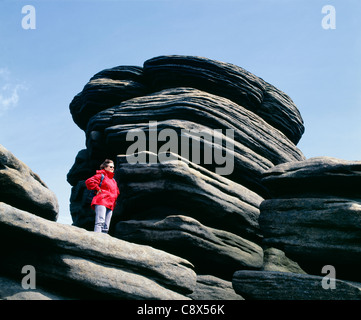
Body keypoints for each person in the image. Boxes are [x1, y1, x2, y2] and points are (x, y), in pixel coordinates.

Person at [85, 159, 120, 233]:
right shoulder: (101, 175)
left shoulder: (113, 180)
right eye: (111, 167)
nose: (112, 168)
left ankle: (103, 243)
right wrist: (97, 188)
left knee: (106, 226)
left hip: (111, 204)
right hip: (101, 201)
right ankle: (97, 240)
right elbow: (89, 181)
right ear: (105, 167)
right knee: (100, 222)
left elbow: (116, 192)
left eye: (113, 167)